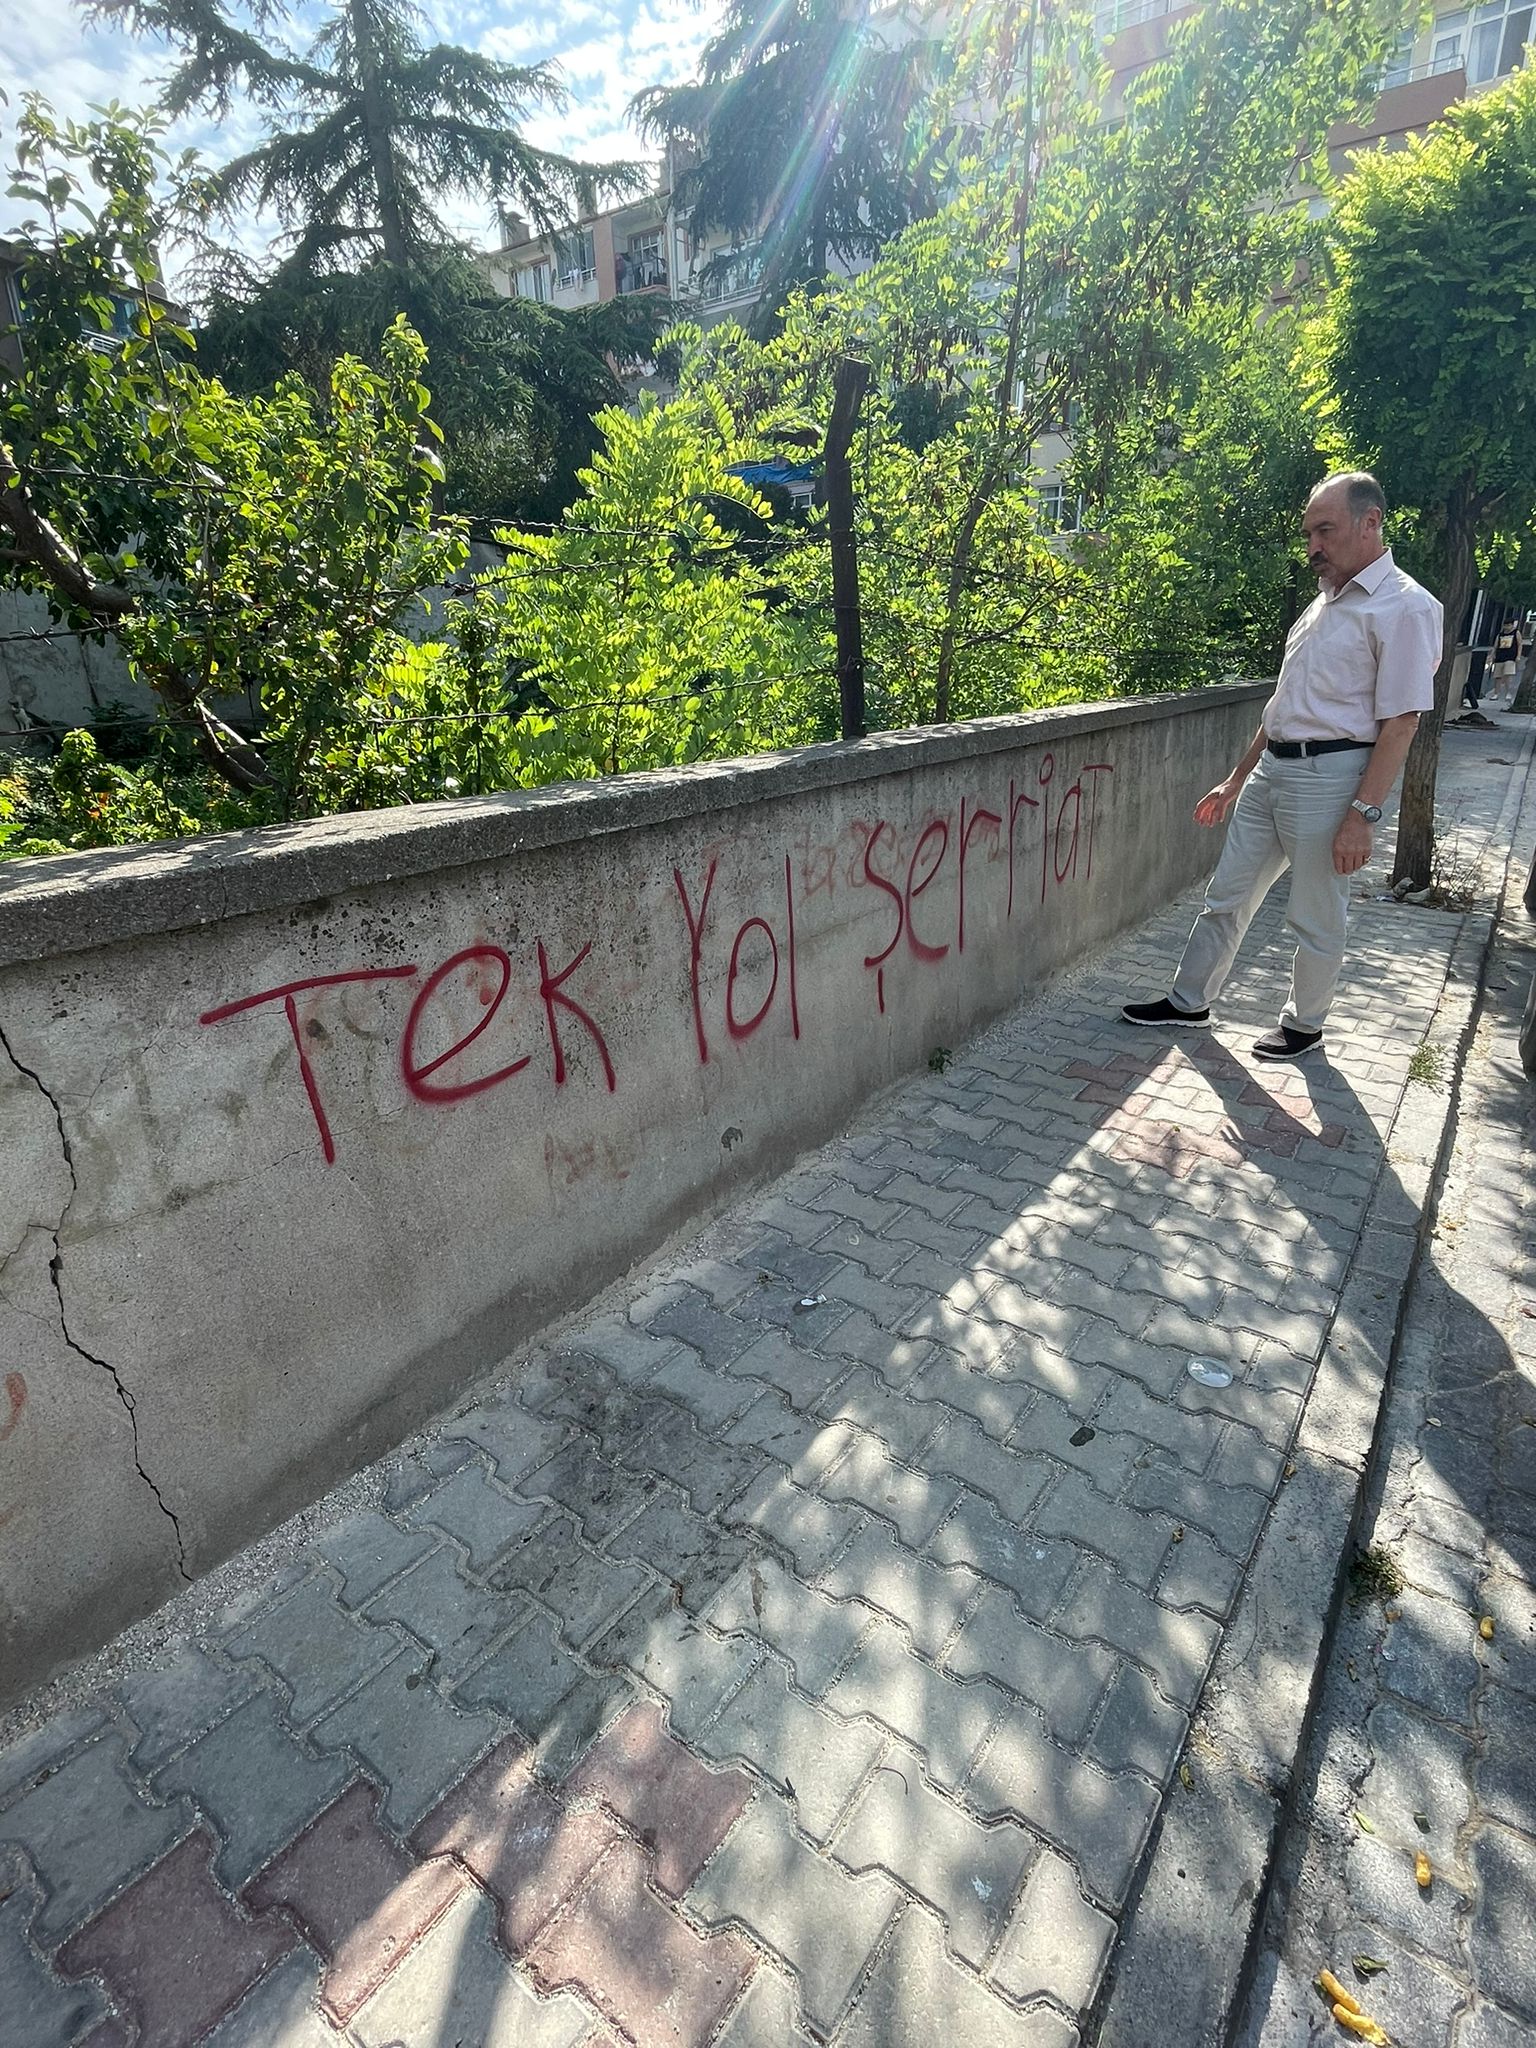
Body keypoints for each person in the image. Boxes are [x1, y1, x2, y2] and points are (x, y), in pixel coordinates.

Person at [1122, 471, 1442, 1061]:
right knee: (1228, 893)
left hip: (1334, 777)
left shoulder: (1405, 608)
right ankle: (1189, 1002)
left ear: (1370, 524)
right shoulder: (1321, 608)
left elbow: (1401, 723)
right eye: (1309, 534)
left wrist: (1363, 814)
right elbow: (1283, 704)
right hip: (1273, 771)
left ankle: (1304, 1026)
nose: (1313, 547)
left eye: (1326, 530)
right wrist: (1236, 776)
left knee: (1315, 911)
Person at [1487, 618, 1519, 709]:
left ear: (1512, 625)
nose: (1507, 627)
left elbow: (1519, 644)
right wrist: (1492, 655)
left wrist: (1518, 656)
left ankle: (1508, 692)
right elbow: (1495, 645)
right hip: (1500, 657)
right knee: (1498, 676)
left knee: (1508, 675)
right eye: (1505, 625)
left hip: (1510, 657)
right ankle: (1496, 693)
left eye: (1509, 625)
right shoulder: (1500, 635)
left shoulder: (1516, 633)